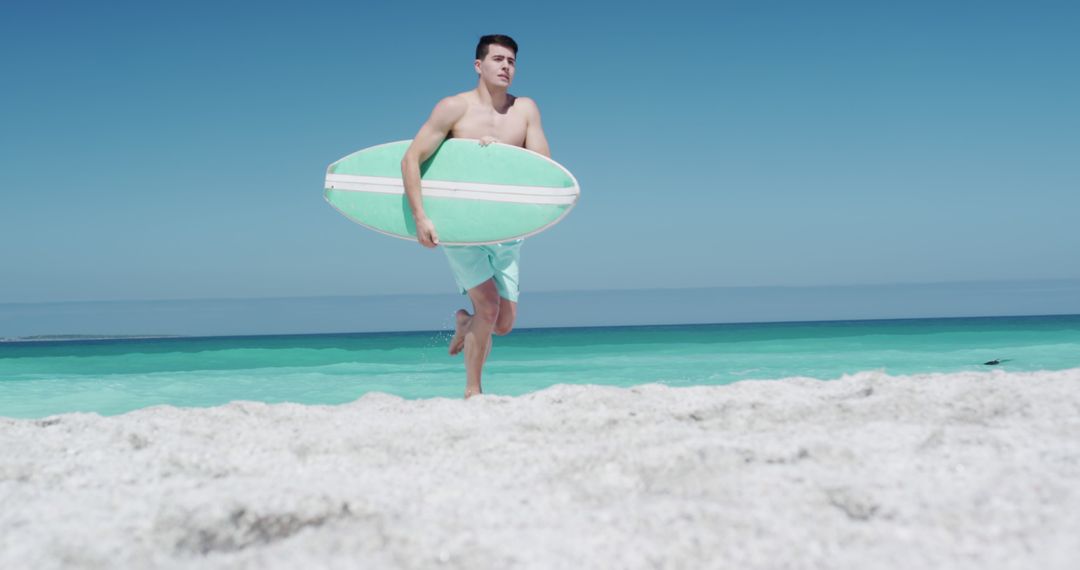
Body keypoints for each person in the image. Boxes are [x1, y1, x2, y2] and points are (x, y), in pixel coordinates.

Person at [400, 34, 550, 399]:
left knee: (503, 323)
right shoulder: (454, 108)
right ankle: (473, 391)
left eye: (511, 61)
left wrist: (502, 158)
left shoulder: (525, 110)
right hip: (461, 225)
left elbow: (543, 168)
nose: (506, 67)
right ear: (478, 65)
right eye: (498, 59)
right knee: (489, 305)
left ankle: (464, 323)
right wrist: (421, 217)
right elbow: (411, 159)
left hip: (506, 227)